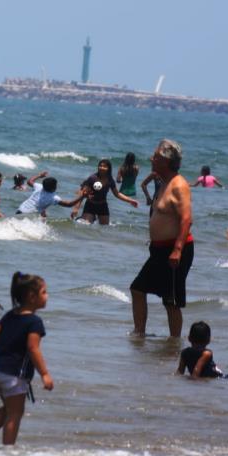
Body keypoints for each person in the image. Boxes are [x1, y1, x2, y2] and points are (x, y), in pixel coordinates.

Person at [0, 272, 53, 445]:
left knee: (8, 409)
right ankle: (8, 449)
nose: (47, 296)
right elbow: (33, 348)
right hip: (14, 376)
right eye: (44, 292)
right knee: (15, 413)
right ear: (32, 297)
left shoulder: (9, 316)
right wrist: (45, 374)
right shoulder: (34, 322)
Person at [130, 139, 193, 338]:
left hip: (174, 250)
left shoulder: (179, 185)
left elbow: (186, 220)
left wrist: (177, 250)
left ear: (166, 161)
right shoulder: (162, 181)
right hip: (158, 250)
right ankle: (139, 333)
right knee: (138, 288)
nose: (151, 159)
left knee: (171, 301)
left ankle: (174, 342)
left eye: (155, 156)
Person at [71, 159, 138, 225]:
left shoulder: (110, 180)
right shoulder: (92, 178)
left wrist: (130, 200)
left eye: (104, 166)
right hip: (90, 205)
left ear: (108, 168)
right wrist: (76, 208)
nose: (102, 167)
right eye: (100, 166)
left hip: (102, 206)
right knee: (86, 225)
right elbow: (82, 193)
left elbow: (117, 194)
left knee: (105, 228)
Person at [16, 171, 85, 218]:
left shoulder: (39, 187)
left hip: (20, 210)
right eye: (56, 185)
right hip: (28, 216)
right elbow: (69, 204)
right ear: (53, 187)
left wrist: (39, 175)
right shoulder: (53, 198)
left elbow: (29, 181)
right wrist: (82, 196)